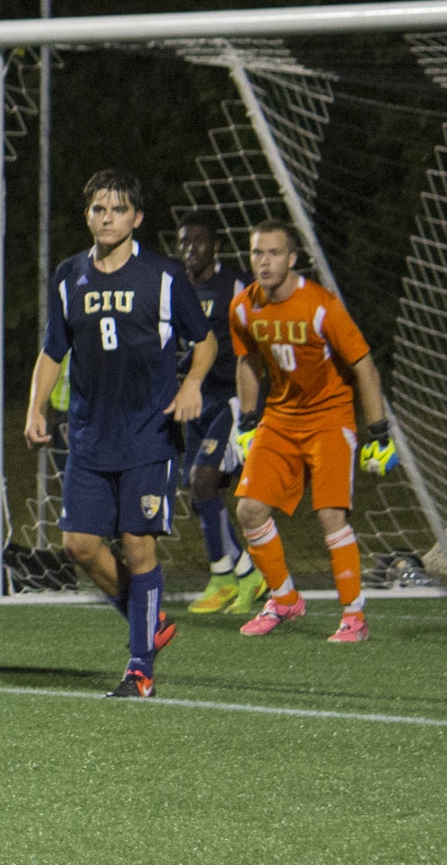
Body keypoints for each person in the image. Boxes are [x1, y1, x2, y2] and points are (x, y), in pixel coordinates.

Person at [23, 170, 213, 698]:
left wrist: (194, 382)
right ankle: (147, 622)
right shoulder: (68, 277)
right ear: (87, 215)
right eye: (98, 210)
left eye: (118, 210)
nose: (107, 219)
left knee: (137, 546)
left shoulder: (164, 275)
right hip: (89, 436)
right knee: (79, 545)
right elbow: (52, 351)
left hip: (148, 434)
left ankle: (139, 668)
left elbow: (205, 341)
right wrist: (36, 406)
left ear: (138, 218)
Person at [228, 221, 396, 643]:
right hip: (280, 420)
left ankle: (354, 616)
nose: (263, 262)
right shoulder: (244, 307)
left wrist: (378, 431)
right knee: (248, 510)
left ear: (292, 259)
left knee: (330, 515)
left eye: (273, 253)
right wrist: (248, 419)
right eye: (256, 253)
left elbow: (364, 366)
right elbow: (247, 361)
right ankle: (284, 600)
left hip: (329, 419)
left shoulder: (322, 306)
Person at [173, 212, 265, 614]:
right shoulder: (177, 288)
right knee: (197, 492)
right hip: (197, 400)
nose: (191, 249)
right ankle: (238, 575)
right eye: (184, 242)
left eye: (199, 241)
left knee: (205, 480)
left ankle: (230, 574)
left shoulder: (235, 285)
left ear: (216, 246)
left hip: (232, 398)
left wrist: (252, 408)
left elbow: (259, 341)